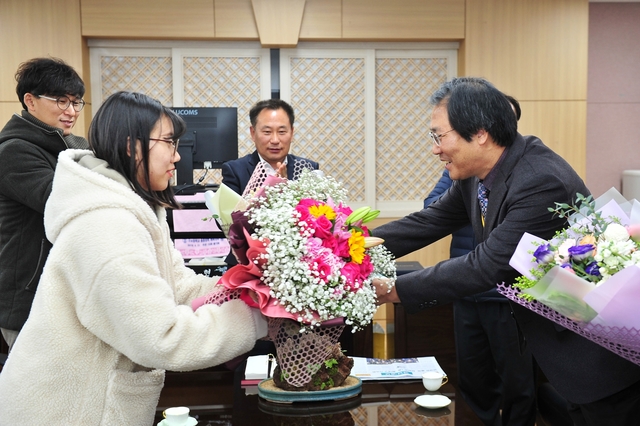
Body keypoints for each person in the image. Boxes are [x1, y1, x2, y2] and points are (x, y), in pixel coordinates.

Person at [373, 77, 640, 425]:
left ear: (480, 133)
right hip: (560, 350)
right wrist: (352, 246)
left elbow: (485, 266)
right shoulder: (478, 174)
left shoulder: (539, 180)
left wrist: (391, 290)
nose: (435, 148)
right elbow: (430, 220)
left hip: (597, 360)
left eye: (440, 136)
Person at [0, 91, 268, 425]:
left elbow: (179, 286)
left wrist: (253, 290)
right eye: (169, 143)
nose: (178, 157)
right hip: (63, 410)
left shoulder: (133, 209)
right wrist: (258, 318)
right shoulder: (106, 224)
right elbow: (161, 337)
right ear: (131, 145)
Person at [423, 95, 537, 426]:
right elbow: (433, 207)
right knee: (472, 379)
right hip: (466, 289)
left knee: (518, 383)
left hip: (509, 295)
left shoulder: (525, 174)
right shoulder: (464, 169)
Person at [0, 57, 89, 351]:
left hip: (59, 290)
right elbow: (61, 201)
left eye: (77, 102)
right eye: (61, 101)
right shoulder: (13, 151)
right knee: (33, 392)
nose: (71, 111)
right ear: (30, 101)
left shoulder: (72, 145)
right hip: (28, 293)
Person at [221, 98, 319, 196]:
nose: (275, 140)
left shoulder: (309, 168)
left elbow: (318, 209)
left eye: (282, 132)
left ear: (292, 133)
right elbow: (230, 211)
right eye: (267, 132)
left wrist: (287, 188)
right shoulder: (234, 171)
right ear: (253, 133)